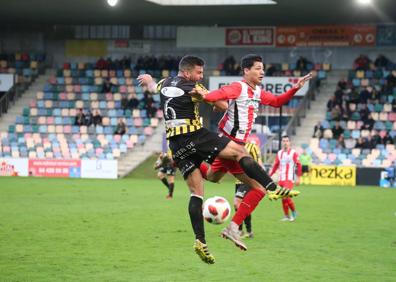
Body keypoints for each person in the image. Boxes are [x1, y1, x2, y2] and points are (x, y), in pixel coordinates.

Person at [138, 55, 299, 264]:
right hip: (196, 136)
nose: (201, 76)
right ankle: (272, 187)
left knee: (197, 194)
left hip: (175, 144)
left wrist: (149, 79)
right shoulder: (192, 87)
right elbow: (222, 105)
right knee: (240, 152)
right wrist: (211, 99)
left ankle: (200, 241)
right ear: (187, 73)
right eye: (199, 72)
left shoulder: (165, 83)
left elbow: (152, 87)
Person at [190, 54, 310, 247]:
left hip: (232, 145)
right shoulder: (239, 87)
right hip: (229, 143)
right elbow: (220, 94)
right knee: (259, 189)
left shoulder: (258, 92)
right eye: (257, 68)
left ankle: (186, 160)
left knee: (213, 176)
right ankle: (235, 226)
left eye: (263, 68)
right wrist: (205, 96)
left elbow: (278, 101)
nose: (262, 71)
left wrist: (296, 87)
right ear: (246, 71)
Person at [269, 135, 302, 222]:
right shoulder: (279, 153)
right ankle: (286, 216)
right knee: (283, 198)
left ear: (289, 142)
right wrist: (270, 175)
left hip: (289, 179)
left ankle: (294, 212)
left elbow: (299, 165)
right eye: (284, 141)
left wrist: (298, 178)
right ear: (282, 143)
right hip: (281, 179)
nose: (285, 143)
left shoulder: (293, 153)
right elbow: (276, 165)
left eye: (287, 141)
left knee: (286, 196)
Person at [234, 142, 263, 239]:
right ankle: (248, 231)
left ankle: (239, 231)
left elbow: (258, 163)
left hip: (248, 180)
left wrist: (260, 178)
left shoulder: (252, 147)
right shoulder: (234, 146)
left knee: (237, 203)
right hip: (238, 180)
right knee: (243, 206)